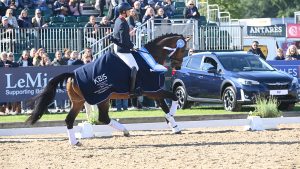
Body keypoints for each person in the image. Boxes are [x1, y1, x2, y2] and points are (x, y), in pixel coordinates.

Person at [110, 2, 143, 96]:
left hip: (120, 47)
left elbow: (124, 38)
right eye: (129, 10)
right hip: (122, 50)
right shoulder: (123, 23)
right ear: (124, 12)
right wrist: (132, 47)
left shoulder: (119, 20)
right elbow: (124, 41)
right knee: (135, 67)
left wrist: (131, 45)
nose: (130, 11)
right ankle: (132, 91)